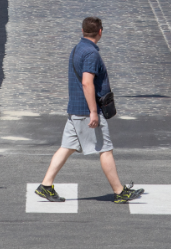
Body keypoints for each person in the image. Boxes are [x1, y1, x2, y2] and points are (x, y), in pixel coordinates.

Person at [34, 17, 143, 205]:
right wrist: (93, 111)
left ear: (82, 31)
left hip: (75, 109)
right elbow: (87, 82)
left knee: (67, 147)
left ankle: (46, 185)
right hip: (86, 111)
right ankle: (119, 192)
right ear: (100, 31)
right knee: (105, 149)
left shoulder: (77, 48)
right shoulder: (91, 54)